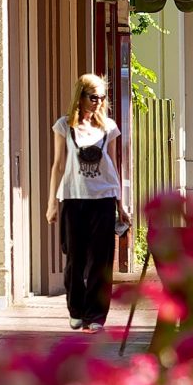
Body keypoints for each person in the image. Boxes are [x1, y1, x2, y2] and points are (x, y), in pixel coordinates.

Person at [45, 74, 131, 333]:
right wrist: (52, 202)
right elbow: (58, 165)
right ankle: (76, 310)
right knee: (75, 259)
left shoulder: (108, 128)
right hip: (73, 198)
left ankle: (95, 316)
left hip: (102, 199)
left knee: (100, 261)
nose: (98, 103)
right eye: (93, 97)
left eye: (102, 98)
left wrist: (120, 204)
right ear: (80, 97)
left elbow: (113, 167)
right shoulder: (64, 126)